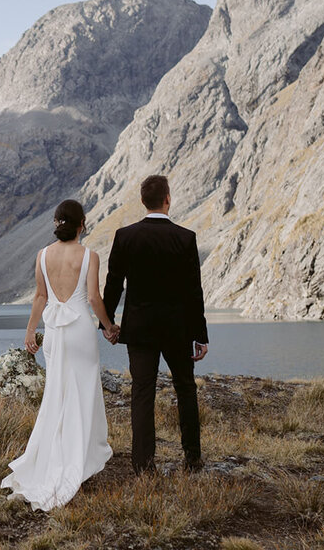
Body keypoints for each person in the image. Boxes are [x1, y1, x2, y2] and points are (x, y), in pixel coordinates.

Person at [1, 199, 119, 510]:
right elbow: (93, 297)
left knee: (56, 394)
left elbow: (40, 296)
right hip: (80, 330)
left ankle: (53, 457)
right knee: (83, 393)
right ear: (82, 224)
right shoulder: (89, 255)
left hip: (53, 332)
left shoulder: (42, 256)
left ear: (57, 223)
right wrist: (108, 326)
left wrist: (30, 331)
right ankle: (79, 459)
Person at [102, 174, 209, 474]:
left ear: (142, 201)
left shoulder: (125, 236)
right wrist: (200, 335)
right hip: (178, 329)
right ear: (168, 199)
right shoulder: (185, 238)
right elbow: (193, 291)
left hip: (139, 329)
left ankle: (143, 465)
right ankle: (192, 458)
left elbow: (114, 284)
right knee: (186, 389)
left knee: (142, 393)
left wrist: (107, 323)